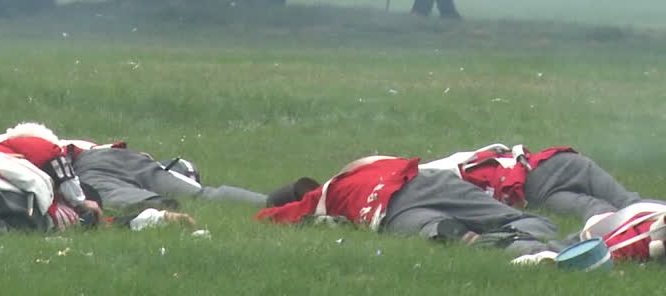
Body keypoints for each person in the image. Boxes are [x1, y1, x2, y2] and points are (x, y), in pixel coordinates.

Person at [257, 155, 558, 255]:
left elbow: (268, 215)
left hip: (396, 207)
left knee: (450, 235)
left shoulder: (317, 200)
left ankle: (529, 252)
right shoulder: (359, 167)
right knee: (510, 217)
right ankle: (557, 240)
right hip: (427, 178)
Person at [421, 143, 649, 222]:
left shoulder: (445, 175)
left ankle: (649, 228)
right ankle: (643, 234)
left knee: (621, 204)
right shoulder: (452, 173)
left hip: (551, 168)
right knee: (604, 209)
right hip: (538, 190)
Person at [71, 143, 266, 210]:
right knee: (202, 195)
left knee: (108, 199)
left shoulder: (45, 144)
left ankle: (154, 206)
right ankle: (279, 202)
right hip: (126, 155)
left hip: (83, 166)